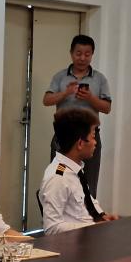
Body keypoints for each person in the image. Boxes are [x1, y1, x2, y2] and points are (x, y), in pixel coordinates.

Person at [42, 34, 112, 196]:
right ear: (71, 53)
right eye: (78, 53)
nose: (82, 58)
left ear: (92, 54)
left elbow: (107, 108)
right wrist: (65, 93)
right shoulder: (60, 77)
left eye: (87, 54)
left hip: (90, 138)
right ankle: (57, 209)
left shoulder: (100, 79)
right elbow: (46, 100)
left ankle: (88, 211)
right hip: (63, 139)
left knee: (89, 182)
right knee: (59, 177)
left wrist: (90, 98)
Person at [39, 108, 118, 234]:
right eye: (93, 137)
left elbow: (87, 201)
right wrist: (92, 227)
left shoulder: (75, 170)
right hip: (76, 243)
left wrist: (102, 216)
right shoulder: (58, 177)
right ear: (80, 143)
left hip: (90, 236)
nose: (95, 143)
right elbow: (51, 228)